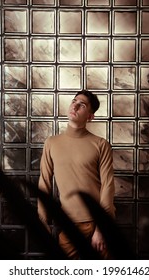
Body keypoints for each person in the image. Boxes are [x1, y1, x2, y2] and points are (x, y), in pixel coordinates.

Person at [38, 90, 115, 259]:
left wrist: (101, 228)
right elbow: (44, 183)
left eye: (83, 105)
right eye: (74, 101)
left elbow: (108, 187)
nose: (75, 105)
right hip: (69, 223)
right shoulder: (52, 143)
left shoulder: (101, 144)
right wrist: (42, 222)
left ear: (90, 116)